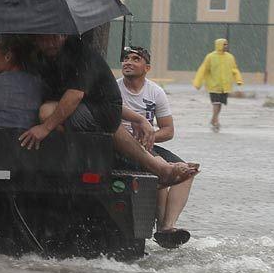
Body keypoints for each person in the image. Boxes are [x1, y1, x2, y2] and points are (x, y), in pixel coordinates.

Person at [20, 35, 197, 187]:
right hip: (107, 119)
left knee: (46, 112)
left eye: (56, 37)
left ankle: (166, 207)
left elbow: (75, 96)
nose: (51, 43)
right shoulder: (45, 59)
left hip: (103, 118)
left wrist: (45, 129)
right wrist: (139, 119)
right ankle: (161, 168)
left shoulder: (79, 53)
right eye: (45, 38)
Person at [118, 46, 196, 248]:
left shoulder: (156, 92)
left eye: (135, 59)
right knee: (160, 166)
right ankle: (162, 227)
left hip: (147, 145)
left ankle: (168, 227)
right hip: (122, 146)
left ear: (147, 67)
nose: (128, 62)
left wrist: (150, 135)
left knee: (188, 170)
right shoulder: (114, 89)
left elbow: (168, 130)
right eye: (126, 58)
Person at [193, 38, 243, 132]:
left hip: (225, 86)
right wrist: (197, 83)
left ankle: (214, 119)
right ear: (219, 45)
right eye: (224, 44)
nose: (226, 46)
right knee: (216, 103)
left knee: (220, 104)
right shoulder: (210, 57)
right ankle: (215, 121)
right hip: (213, 86)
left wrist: (238, 80)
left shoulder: (230, 57)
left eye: (227, 44)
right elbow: (203, 69)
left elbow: (234, 70)